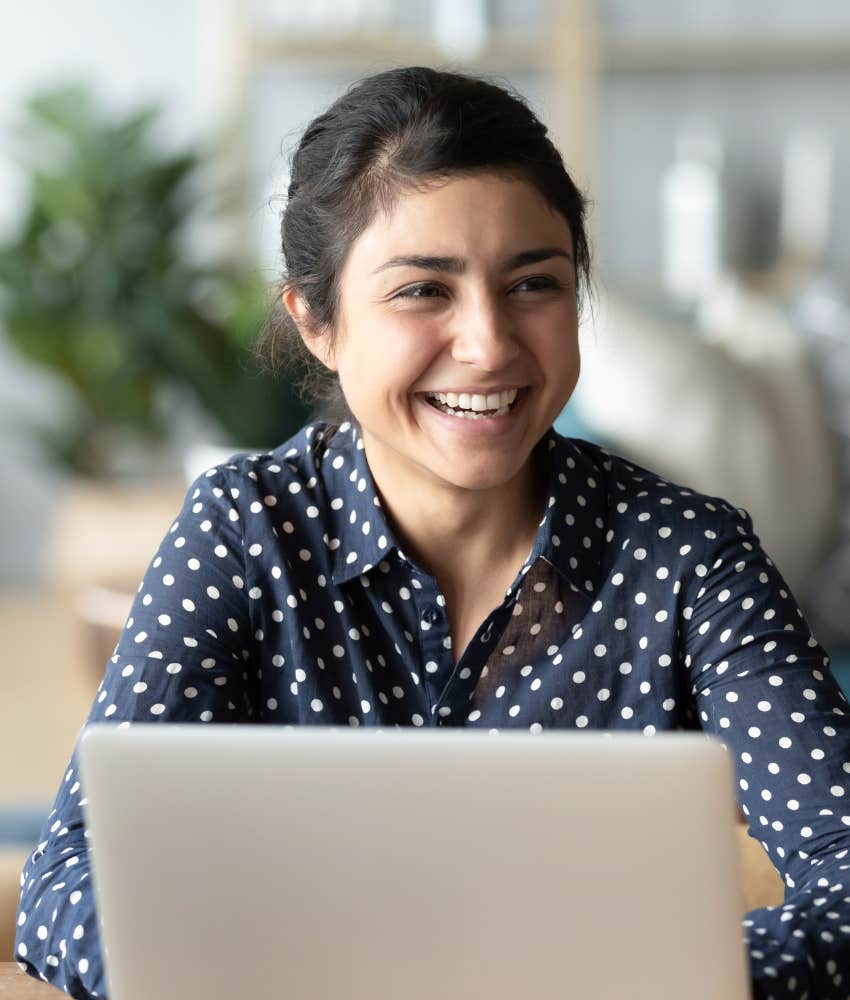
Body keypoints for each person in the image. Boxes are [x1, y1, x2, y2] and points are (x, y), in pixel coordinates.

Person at [14, 65, 850, 1000]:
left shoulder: (689, 558)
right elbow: (62, 887)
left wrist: (647, 980)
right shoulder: (243, 532)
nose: (489, 344)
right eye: (423, 291)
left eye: (533, 283)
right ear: (318, 323)